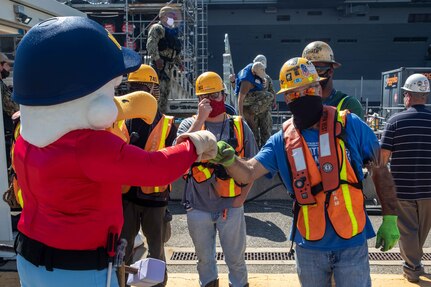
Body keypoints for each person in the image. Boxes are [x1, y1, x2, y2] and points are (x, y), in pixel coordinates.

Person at [11, 16, 218, 287]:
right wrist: (194, 144)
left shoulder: (26, 134)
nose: (118, 95)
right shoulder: (88, 146)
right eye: (112, 89)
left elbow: (82, 111)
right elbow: (155, 169)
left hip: (30, 256)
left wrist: (112, 106)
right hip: (77, 270)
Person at [212, 57, 400, 287]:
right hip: (309, 246)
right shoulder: (281, 140)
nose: (300, 97)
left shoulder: (349, 124)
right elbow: (248, 172)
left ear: (318, 88)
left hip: (351, 242)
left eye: (307, 89)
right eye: (293, 94)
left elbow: (380, 167)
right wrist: (230, 160)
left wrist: (390, 217)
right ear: (285, 98)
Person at [177, 71, 258, 287]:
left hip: (231, 206)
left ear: (224, 94)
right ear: (198, 100)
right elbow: (180, 155)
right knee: (204, 261)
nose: (212, 101)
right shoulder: (188, 125)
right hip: (198, 207)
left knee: (236, 261)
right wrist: (201, 119)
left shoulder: (239, 126)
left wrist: (241, 199)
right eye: (206, 97)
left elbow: (253, 166)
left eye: (216, 95)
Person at [120, 64, 176, 287]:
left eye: (142, 87)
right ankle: (121, 283)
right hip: (127, 198)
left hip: (155, 199)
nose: (138, 91)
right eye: (134, 86)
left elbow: (172, 163)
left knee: (156, 253)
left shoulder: (167, 124)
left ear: (153, 89)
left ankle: (157, 285)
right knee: (121, 252)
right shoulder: (120, 120)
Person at [380, 73, 431, 283]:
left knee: (408, 231)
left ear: (407, 96)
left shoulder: (395, 121)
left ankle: (412, 267)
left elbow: (382, 158)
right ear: (425, 96)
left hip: (403, 187)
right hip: (429, 188)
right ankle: (414, 262)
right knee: (421, 231)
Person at [302, 41, 364, 119]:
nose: (313, 76)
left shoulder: (349, 105)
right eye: (308, 71)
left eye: (318, 70)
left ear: (330, 71)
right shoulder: (302, 104)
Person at [146, 5, 182, 114]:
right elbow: (151, 44)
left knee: (165, 93)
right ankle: (154, 115)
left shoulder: (171, 32)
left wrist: (179, 63)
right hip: (159, 67)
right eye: (170, 16)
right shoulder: (157, 28)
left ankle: (161, 115)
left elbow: (173, 50)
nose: (173, 18)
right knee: (158, 93)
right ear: (163, 16)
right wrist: (157, 59)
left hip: (168, 67)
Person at [234, 55, 274, 147]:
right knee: (253, 135)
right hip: (252, 109)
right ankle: (254, 154)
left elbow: (272, 92)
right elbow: (240, 98)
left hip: (263, 111)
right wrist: (241, 115)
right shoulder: (247, 80)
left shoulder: (263, 76)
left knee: (266, 135)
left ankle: (265, 155)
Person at [1, 52, 19, 167]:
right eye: (7, 65)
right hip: (5, 134)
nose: (9, 68)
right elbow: (13, 108)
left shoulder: (2, 85)